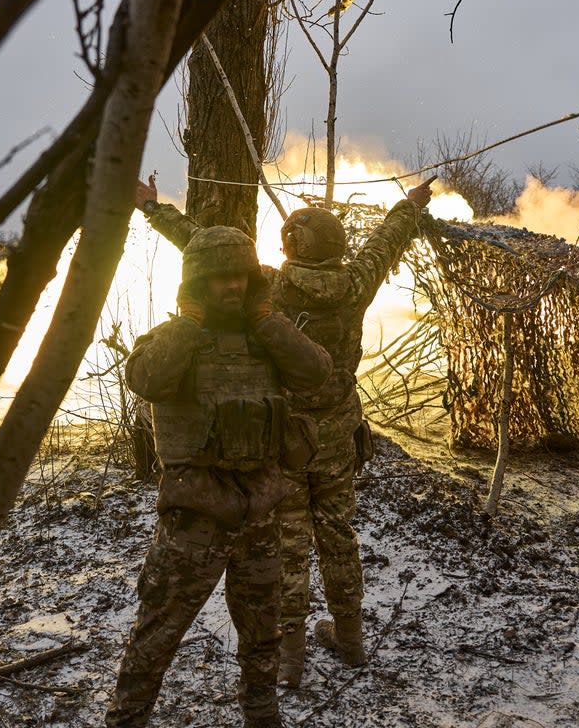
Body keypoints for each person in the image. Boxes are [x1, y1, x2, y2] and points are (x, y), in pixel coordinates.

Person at [134, 176, 432, 687]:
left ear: (291, 246)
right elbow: (388, 239)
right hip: (339, 435)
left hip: (284, 441)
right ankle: (352, 639)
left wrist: (154, 209)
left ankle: (291, 657)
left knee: (290, 544)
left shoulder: (267, 284)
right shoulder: (358, 282)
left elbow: (202, 246)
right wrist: (409, 205)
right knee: (340, 536)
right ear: (337, 247)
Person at [107, 224, 332, 728]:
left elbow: (317, 373)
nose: (231, 286)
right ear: (198, 282)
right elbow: (145, 378)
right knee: (159, 630)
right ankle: (126, 719)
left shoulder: (268, 337)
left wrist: (269, 322)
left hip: (260, 509)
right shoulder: (175, 338)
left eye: (239, 277)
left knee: (262, 630)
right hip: (196, 517)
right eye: (219, 278)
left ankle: (262, 713)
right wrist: (188, 324)